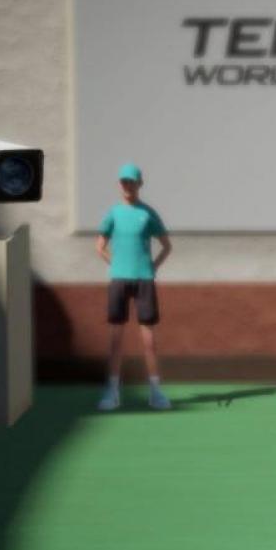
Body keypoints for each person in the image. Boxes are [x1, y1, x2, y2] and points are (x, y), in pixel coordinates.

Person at [96, 163, 173, 411]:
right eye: (124, 181)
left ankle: (155, 391)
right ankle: (112, 392)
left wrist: (153, 267)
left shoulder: (148, 214)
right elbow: (99, 246)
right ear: (120, 184)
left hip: (144, 280)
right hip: (119, 280)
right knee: (116, 339)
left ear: (140, 184)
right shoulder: (113, 213)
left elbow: (166, 246)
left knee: (148, 340)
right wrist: (116, 264)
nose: (127, 185)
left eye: (131, 181)